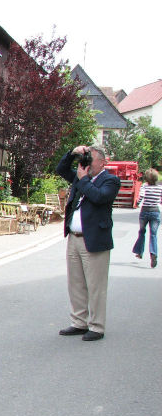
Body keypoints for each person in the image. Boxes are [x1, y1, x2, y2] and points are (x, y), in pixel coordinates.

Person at [56, 145, 121, 341]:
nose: (85, 164)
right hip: (74, 238)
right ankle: (79, 322)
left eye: (89, 160)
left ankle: (97, 326)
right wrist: (72, 153)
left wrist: (84, 180)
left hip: (94, 240)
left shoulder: (110, 180)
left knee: (96, 285)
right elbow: (61, 169)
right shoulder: (80, 176)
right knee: (75, 283)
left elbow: (99, 197)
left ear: (102, 162)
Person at [132, 168, 162, 268]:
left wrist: (137, 203)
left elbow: (140, 198)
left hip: (145, 211)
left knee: (142, 232)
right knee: (153, 234)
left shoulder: (145, 187)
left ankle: (140, 252)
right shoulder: (160, 188)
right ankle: (153, 254)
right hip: (155, 212)